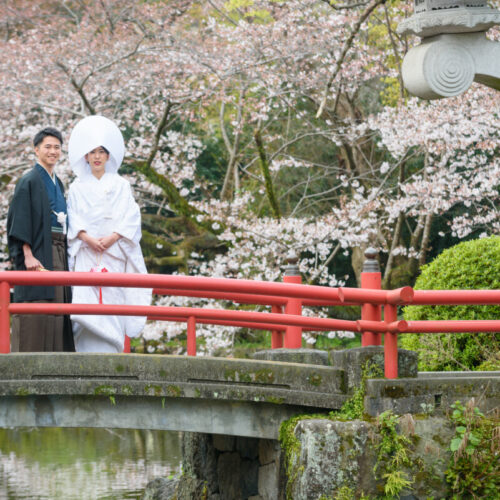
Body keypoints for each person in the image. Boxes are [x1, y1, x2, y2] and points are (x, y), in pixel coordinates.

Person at [67, 115, 151, 352]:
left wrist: (114, 236)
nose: (96, 157)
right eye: (92, 152)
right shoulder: (76, 187)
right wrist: (86, 237)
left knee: (113, 300)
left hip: (114, 252)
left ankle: (113, 350)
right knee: (85, 304)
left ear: (108, 155)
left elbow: (131, 216)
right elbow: (72, 217)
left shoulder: (121, 185)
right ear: (85, 156)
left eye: (101, 152)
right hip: (86, 252)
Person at [7, 127, 75, 352]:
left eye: (57, 147)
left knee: (57, 303)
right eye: (48, 146)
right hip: (37, 250)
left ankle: (57, 362)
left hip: (58, 248)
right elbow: (20, 218)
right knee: (38, 304)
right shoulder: (29, 180)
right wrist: (27, 254)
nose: (53, 151)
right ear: (36, 150)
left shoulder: (59, 183)